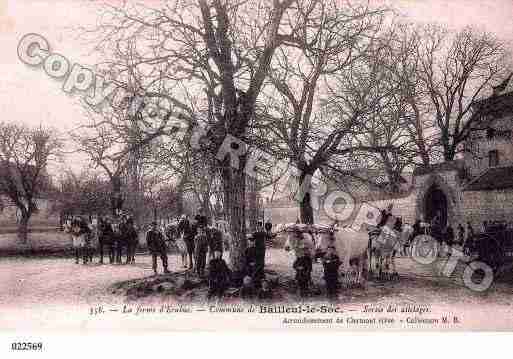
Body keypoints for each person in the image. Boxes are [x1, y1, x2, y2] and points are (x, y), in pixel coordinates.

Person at [251, 221, 268, 286]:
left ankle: (260, 271)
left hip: (261, 248)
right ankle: (260, 271)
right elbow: (268, 235)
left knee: (260, 260)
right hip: (259, 248)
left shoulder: (259, 232)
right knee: (259, 260)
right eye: (258, 226)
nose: (259, 227)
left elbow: (268, 236)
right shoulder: (261, 232)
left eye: (259, 226)